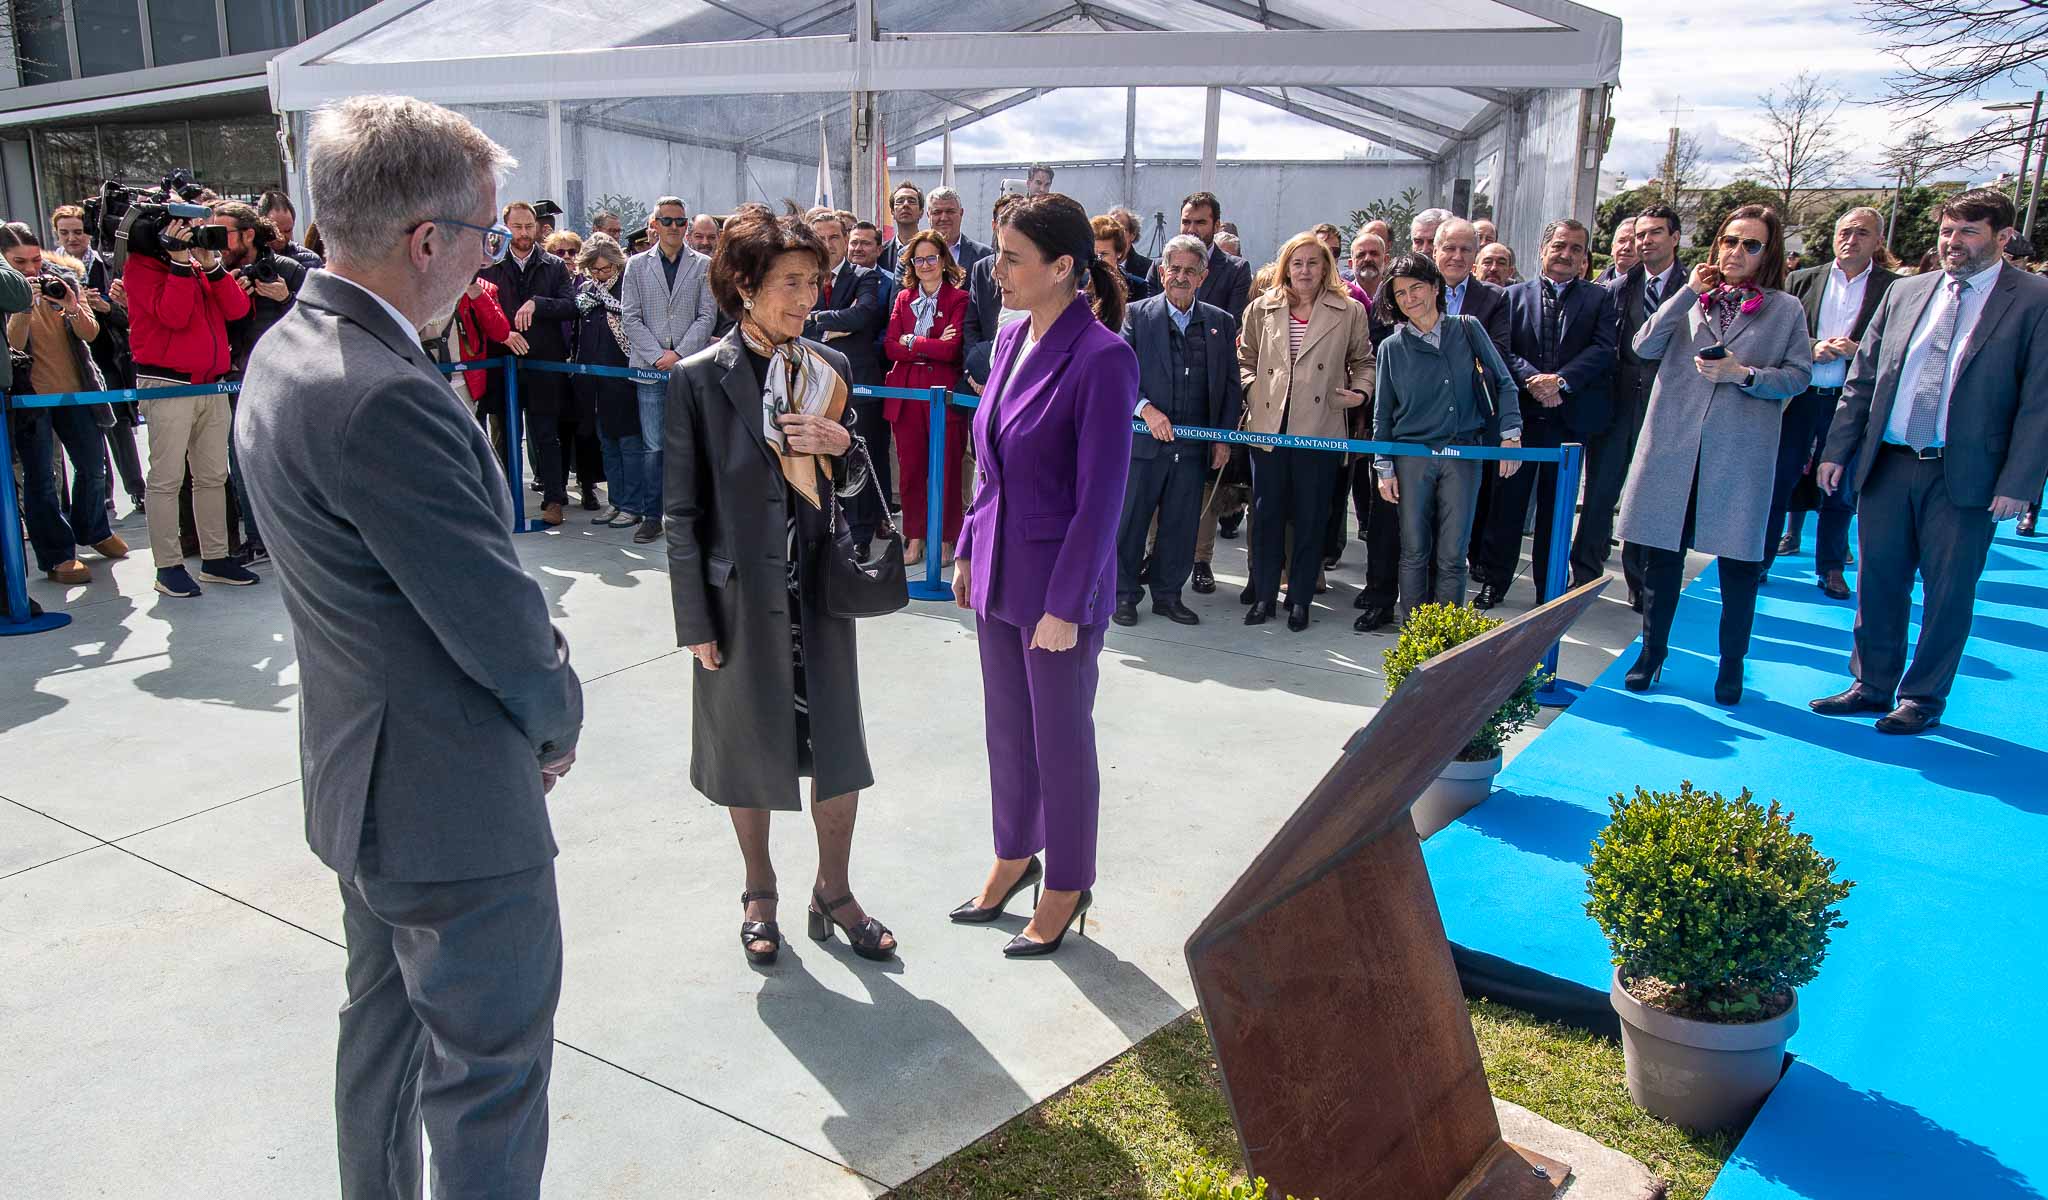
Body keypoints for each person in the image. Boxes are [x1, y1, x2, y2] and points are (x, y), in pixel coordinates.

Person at [236, 95, 583, 1200]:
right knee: (487, 1077)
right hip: (451, 810)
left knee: (382, 1046)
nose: (488, 265)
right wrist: (557, 713)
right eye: (485, 237)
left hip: (364, 783)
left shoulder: (290, 349)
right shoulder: (381, 393)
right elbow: (497, 625)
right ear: (426, 241)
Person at [663, 203, 892, 964]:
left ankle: (836, 888)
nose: (807, 297)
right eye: (790, 282)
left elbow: (861, 492)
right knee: (747, 748)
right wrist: (694, 617)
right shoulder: (699, 380)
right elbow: (680, 511)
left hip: (818, 594)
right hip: (736, 602)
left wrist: (844, 444)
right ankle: (759, 889)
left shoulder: (832, 370)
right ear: (744, 284)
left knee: (837, 748)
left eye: (814, 280)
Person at [951, 192, 1136, 957]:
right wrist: (966, 545)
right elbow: (989, 463)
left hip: (1057, 585)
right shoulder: (1011, 341)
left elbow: (1102, 499)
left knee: (1060, 739)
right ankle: (1014, 853)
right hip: (998, 570)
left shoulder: (1102, 358)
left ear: (1063, 268)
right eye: (998, 254)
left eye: (1013, 258)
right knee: (1008, 731)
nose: (999, 271)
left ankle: (1068, 880)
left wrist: (1067, 603)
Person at [1812, 188, 2048, 735]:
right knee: (1879, 581)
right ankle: (1871, 684)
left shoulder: (2033, 298)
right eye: (1947, 230)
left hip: (1965, 473)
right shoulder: (1906, 293)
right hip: (1890, 462)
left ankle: (1922, 696)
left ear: (2002, 237)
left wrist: (2020, 482)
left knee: (1948, 592)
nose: (1952, 243)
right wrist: (1837, 450)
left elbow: (2040, 401)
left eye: (1968, 232)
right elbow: (1864, 378)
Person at [1616, 204, 1813, 704]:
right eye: (1730, 241)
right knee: (1662, 557)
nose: (1737, 252)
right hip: (1675, 446)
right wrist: (1689, 293)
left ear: (1769, 253)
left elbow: (1798, 376)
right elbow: (1644, 345)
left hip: (1738, 452)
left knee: (1739, 566)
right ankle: (1652, 652)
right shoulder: (1693, 298)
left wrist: (1743, 375)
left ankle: (1731, 664)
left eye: (1751, 245)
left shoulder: (1785, 309)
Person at [1474, 218, 1616, 609]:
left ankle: (1549, 588)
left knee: (1556, 511)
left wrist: (1562, 382)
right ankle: (1494, 582)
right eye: (1559, 246)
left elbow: (1604, 350)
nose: (1565, 255)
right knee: (1507, 506)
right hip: (1521, 418)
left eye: (1575, 249)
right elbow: (1500, 351)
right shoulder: (1512, 296)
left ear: (1585, 258)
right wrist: (1535, 379)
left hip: (1569, 421)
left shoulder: (1599, 299)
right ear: (1543, 249)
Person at [1371, 254, 1522, 620]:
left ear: (1436, 287)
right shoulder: (1391, 348)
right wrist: (1384, 466)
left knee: (1454, 554)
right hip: (1411, 457)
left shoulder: (1467, 328)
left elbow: (1504, 383)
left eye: (1417, 288)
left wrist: (1511, 435)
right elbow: (1383, 413)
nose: (1410, 299)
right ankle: (1413, 636)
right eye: (1401, 293)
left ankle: (1446, 640)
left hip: (1463, 453)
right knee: (1413, 551)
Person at [1237, 231, 1374, 632]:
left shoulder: (1349, 311)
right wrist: (1252, 387)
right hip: (1269, 426)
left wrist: (1360, 394)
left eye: (1313, 262)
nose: (1305, 270)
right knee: (1266, 516)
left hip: (1320, 425)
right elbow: (1245, 356)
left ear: (1326, 267)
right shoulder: (1263, 307)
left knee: (1313, 516)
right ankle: (1263, 595)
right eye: (1297, 262)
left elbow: (1364, 360)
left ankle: (1300, 600)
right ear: (1285, 267)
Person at [123, 197, 256, 597]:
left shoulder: (196, 266)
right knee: (166, 478)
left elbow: (237, 310)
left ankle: (216, 558)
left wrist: (212, 266)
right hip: (168, 385)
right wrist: (181, 264)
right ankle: (168, 566)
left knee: (213, 475)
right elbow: (173, 316)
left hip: (210, 384)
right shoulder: (140, 268)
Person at [1770, 206, 1898, 600]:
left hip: (1851, 402)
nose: (1850, 240)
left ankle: (1829, 567)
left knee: (1839, 486)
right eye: (1844, 232)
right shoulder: (1802, 280)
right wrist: (1813, 347)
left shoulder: (1895, 289)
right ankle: (1759, 560)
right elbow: (1777, 334)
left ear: (1878, 241)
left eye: (1861, 233)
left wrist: (1860, 351)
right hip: (1800, 397)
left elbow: (1898, 347)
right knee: (1779, 479)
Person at [1114, 234, 1238, 627]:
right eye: (1175, 269)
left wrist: (1222, 437)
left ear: (1203, 276)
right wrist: (1146, 409)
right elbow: (1120, 375)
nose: (1181, 277)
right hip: (1143, 446)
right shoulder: (1136, 315)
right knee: (1131, 521)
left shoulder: (1220, 322)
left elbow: (1231, 386)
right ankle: (1123, 595)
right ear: (1162, 271)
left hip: (1193, 448)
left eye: (1190, 270)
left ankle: (1168, 595)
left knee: (1182, 524)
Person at [2, 224, 123, 585]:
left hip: (76, 392)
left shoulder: (62, 279)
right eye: (18, 262)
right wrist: (25, 302)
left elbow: (91, 333)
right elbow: (14, 346)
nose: (30, 269)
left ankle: (93, 529)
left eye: (36, 260)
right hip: (30, 398)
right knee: (42, 479)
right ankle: (57, 555)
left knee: (94, 466)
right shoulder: (7, 291)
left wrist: (71, 305)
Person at [213, 200, 309, 567]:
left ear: (248, 235)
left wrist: (285, 298)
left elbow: (317, 322)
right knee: (241, 461)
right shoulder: (215, 273)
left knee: (293, 463)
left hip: (287, 380)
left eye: (224, 233)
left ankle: (296, 538)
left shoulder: (288, 270)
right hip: (235, 380)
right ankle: (256, 539)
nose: (217, 241)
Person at [1601, 204, 1686, 610]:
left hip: (1670, 404)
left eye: (1655, 233)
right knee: (1604, 489)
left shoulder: (1695, 287)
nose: (1645, 241)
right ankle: (1588, 571)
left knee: (1648, 495)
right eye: (1640, 235)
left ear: (1675, 238)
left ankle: (1641, 581)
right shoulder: (1618, 287)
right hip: (1617, 403)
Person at [621, 196, 719, 544]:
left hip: (690, 367)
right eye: (667, 221)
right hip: (649, 370)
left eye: (681, 221)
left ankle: (688, 515)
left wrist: (679, 354)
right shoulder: (635, 265)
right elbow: (629, 316)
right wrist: (656, 355)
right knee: (653, 447)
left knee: (690, 443)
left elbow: (707, 316)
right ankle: (651, 516)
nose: (675, 227)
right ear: (654, 225)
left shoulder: (705, 264)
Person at [480, 200, 578, 526]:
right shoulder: (490, 266)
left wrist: (538, 303)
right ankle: (505, 499)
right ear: (505, 228)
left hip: (543, 365)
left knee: (546, 435)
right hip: (502, 363)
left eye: (528, 226)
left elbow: (570, 306)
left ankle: (554, 499)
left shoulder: (553, 265)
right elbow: (479, 307)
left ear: (536, 228)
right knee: (504, 436)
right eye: (517, 226)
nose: (523, 233)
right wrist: (503, 333)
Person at [883, 229, 972, 566]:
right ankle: (916, 538)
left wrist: (913, 341)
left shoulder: (959, 299)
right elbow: (890, 345)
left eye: (931, 258)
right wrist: (923, 343)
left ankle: (948, 538)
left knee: (947, 467)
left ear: (944, 260)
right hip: (906, 392)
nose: (924, 264)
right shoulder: (904, 299)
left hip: (942, 393)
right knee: (910, 470)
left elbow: (951, 351)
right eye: (918, 259)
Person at [804, 211, 889, 551]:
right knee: (820, 462)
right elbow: (795, 320)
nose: (828, 245)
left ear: (845, 237)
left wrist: (815, 320)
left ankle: (860, 537)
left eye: (834, 237)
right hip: (810, 384)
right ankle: (823, 533)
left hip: (856, 384)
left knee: (857, 461)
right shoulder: (804, 277)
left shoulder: (864, 277)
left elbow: (863, 315)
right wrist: (834, 323)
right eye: (821, 238)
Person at [53, 203, 145, 513]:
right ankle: (100, 495)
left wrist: (107, 308)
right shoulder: (50, 269)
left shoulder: (109, 265)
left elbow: (132, 315)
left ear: (88, 232)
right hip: (71, 356)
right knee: (87, 429)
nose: (72, 238)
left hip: (109, 354)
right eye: (65, 233)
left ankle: (136, 488)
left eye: (78, 232)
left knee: (118, 424)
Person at [571, 235, 647, 529]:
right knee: (607, 445)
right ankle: (615, 502)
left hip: (624, 378)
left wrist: (607, 302)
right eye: (594, 270)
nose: (600, 275)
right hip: (596, 382)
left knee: (630, 444)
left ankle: (633, 505)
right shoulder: (588, 291)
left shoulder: (629, 287)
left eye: (604, 269)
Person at [926, 186, 991, 274]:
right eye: (937, 212)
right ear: (928, 216)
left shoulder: (984, 255)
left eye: (950, 211)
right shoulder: (910, 254)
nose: (944, 218)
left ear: (961, 213)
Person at [1093, 213, 1154, 303]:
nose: (1098, 260)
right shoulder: (1078, 284)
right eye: (1094, 254)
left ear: (1119, 253)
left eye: (1104, 254)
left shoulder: (1137, 287)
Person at [258, 190, 324, 269]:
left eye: (287, 231)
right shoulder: (249, 259)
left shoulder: (310, 261)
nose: (281, 238)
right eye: (275, 231)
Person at [879, 181, 925, 274]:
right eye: (900, 201)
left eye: (912, 201)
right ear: (892, 212)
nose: (905, 205)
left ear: (921, 212)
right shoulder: (881, 253)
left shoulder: (933, 249)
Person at [1111, 205, 1154, 282]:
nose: (1115, 234)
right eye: (1111, 229)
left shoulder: (1149, 268)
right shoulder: (1095, 266)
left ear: (1132, 235)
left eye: (1121, 229)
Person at [1598, 217, 1638, 284]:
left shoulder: (1654, 288)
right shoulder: (1594, 288)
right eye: (1621, 241)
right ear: (1612, 248)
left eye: (1634, 241)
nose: (1627, 247)